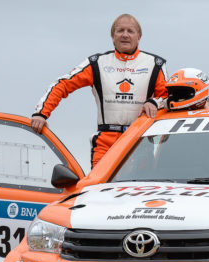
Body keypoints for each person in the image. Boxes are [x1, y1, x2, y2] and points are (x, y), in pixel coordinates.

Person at [31, 14, 168, 166]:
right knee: (99, 188)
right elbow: (62, 84)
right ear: (112, 36)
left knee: (141, 189)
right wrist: (41, 114)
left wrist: (154, 102)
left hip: (140, 139)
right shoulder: (97, 63)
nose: (125, 35)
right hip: (105, 143)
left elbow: (168, 98)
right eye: (120, 30)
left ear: (139, 36)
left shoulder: (155, 64)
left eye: (130, 31)